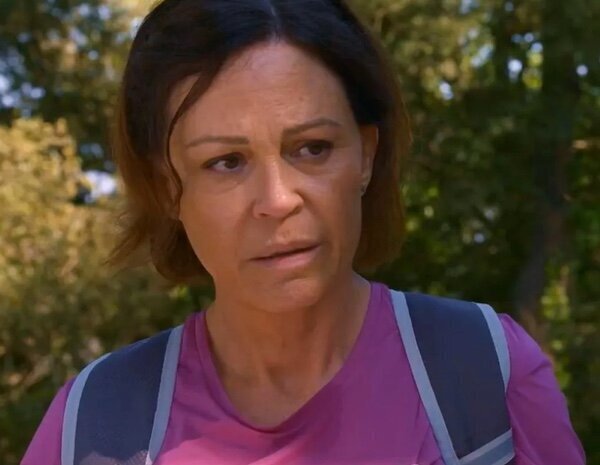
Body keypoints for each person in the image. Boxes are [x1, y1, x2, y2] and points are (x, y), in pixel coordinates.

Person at [22, 0, 585, 464]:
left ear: (366, 154)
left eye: (312, 148)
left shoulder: (487, 374)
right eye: (226, 162)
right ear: (168, 187)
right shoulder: (94, 425)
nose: (277, 200)